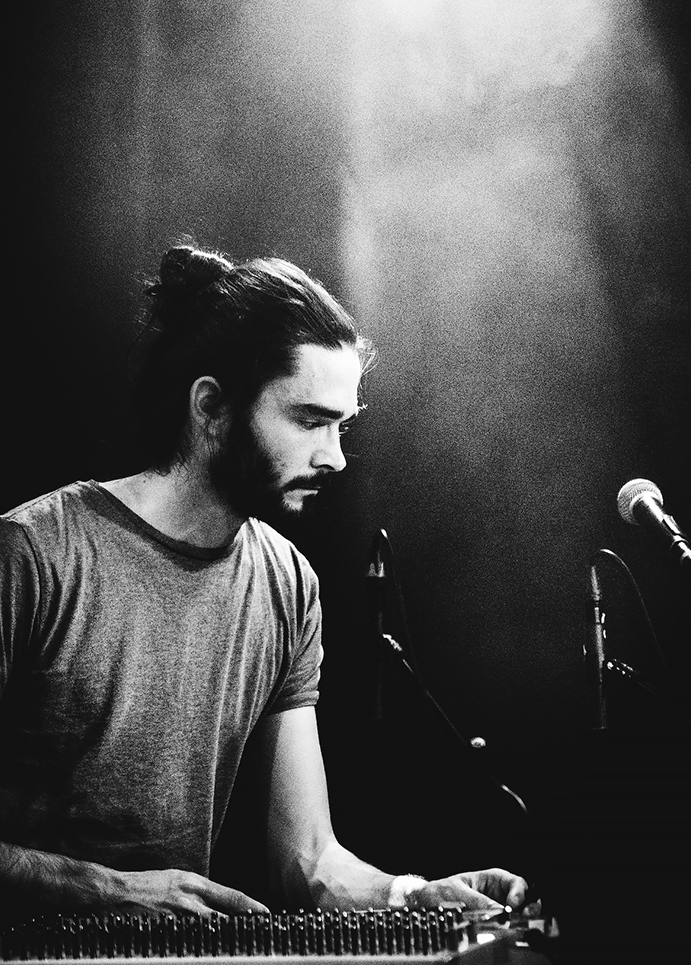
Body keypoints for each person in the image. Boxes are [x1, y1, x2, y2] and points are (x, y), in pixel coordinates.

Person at [0, 245, 528, 917]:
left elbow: (306, 857)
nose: (334, 457)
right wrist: (108, 889)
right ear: (212, 407)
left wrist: (413, 895)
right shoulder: (32, 554)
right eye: (310, 420)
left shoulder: (287, 585)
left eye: (342, 427)